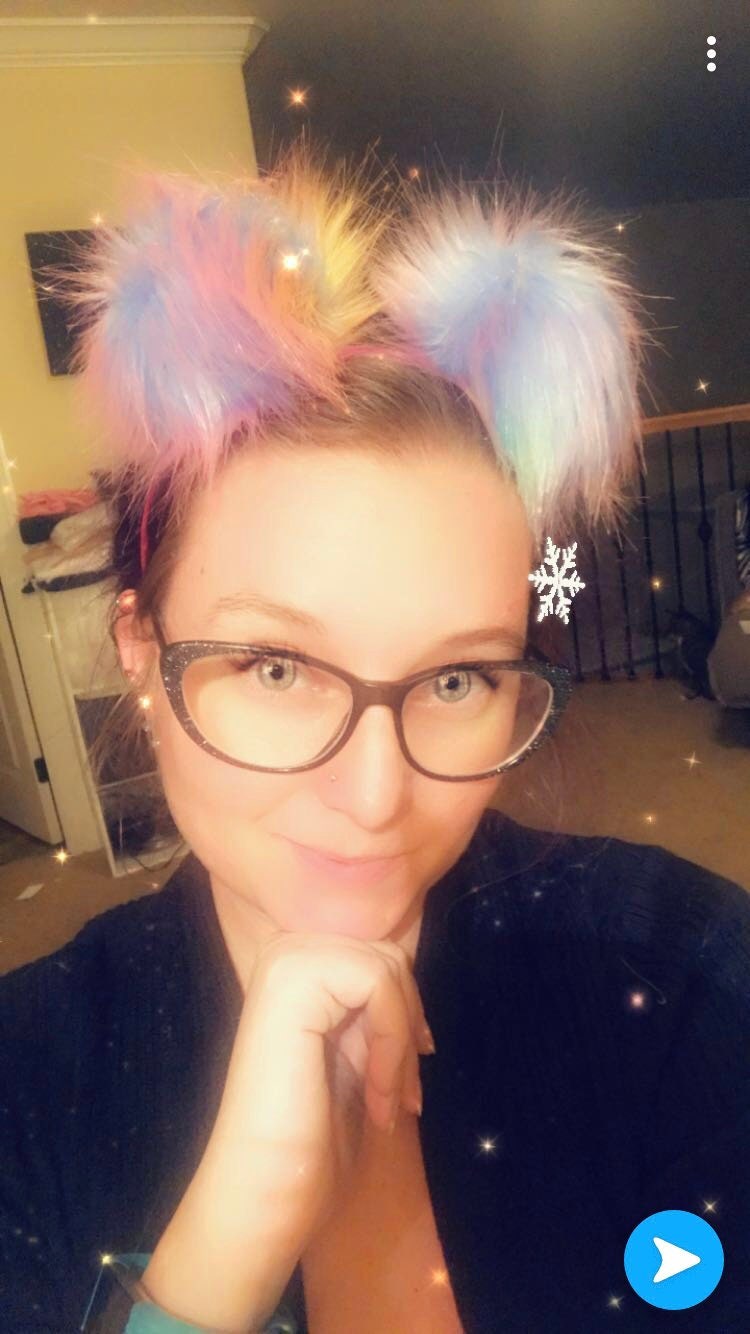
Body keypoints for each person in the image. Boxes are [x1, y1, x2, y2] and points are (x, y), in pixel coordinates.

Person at [1, 139, 748, 1334]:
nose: (374, 795)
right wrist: (209, 1270)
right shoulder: (28, 1083)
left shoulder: (685, 971)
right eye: (278, 666)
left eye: (456, 677)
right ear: (140, 647)